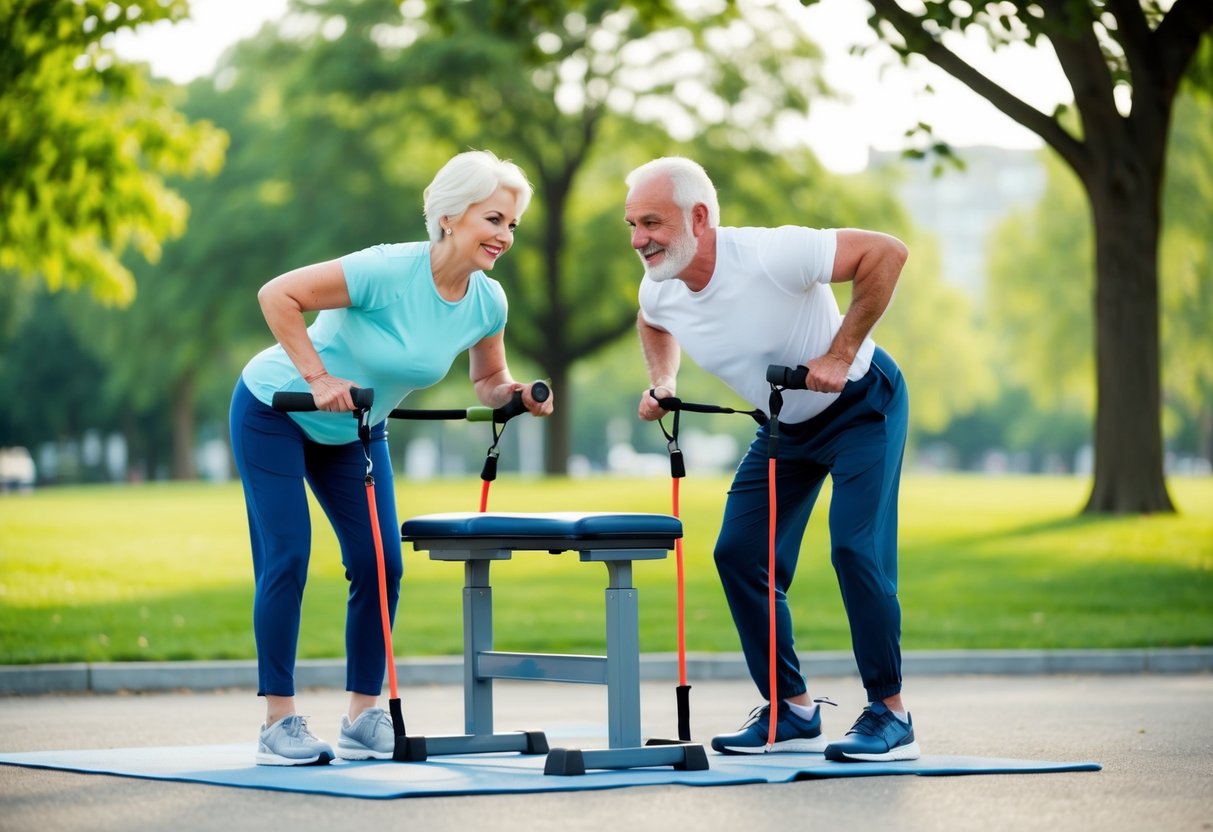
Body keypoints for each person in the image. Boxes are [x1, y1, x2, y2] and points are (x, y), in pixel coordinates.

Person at [230, 150, 553, 766]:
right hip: (276, 408)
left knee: (381, 566)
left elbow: (489, 379)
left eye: (512, 225)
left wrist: (513, 395)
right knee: (288, 554)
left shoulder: (488, 302)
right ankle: (278, 721)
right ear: (451, 216)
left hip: (356, 428)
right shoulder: (386, 269)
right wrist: (317, 375)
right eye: (494, 220)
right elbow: (279, 295)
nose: (505, 237)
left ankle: (361, 716)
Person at [625, 156, 918, 762]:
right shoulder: (659, 286)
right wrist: (663, 379)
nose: (639, 240)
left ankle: (890, 713)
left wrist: (839, 354)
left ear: (698, 217)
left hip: (865, 406)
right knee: (738, 553)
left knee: (855, 548)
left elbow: (887, 252)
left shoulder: (771, 254)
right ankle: (791, 708)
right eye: (631, 225)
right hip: (785, 428)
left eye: (651, 222)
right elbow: (652, 322)